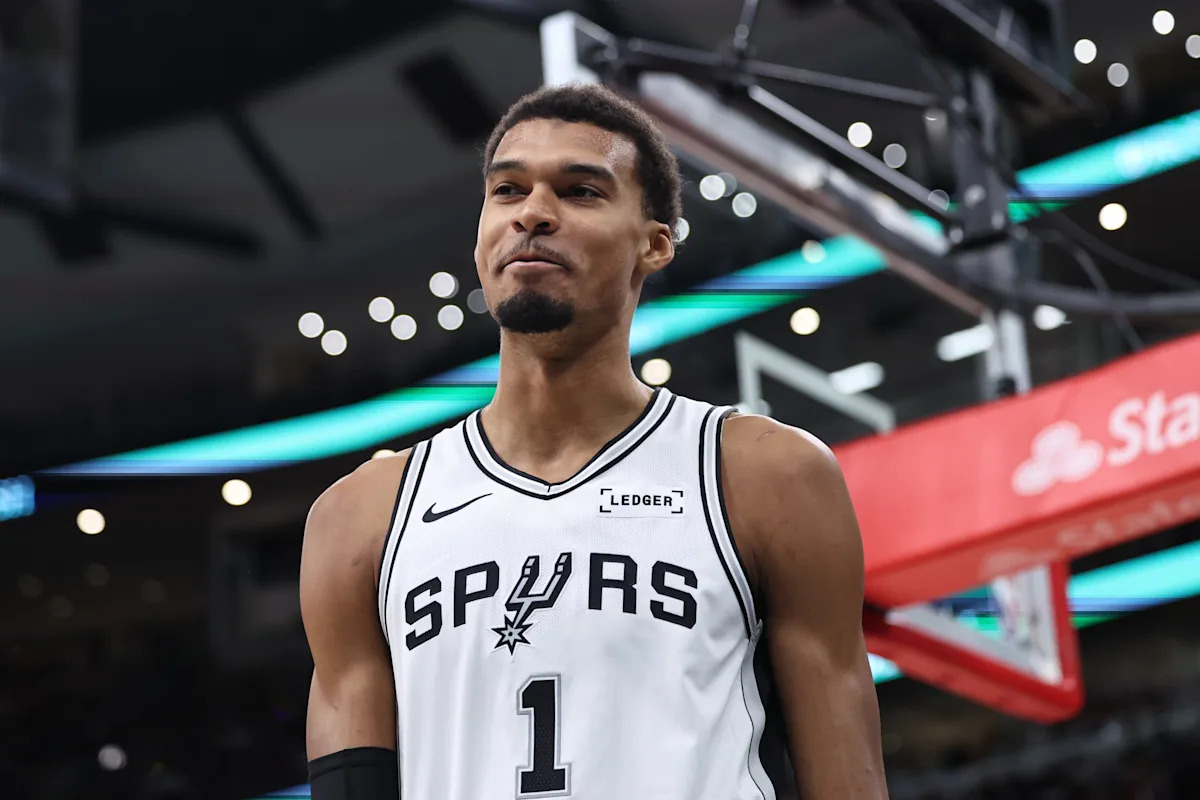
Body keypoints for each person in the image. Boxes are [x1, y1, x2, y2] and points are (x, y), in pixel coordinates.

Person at [300, 82, 888, 800]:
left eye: (580, 191)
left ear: (655, 243)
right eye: (508, 190)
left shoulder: (767, 475)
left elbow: (847, 774)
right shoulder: (359, 518)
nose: (533, 213)